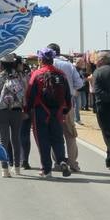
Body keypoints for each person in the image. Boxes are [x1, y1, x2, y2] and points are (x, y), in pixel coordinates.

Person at [25, 48, 72, 178]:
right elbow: (68, 94)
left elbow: (30, 94)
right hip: (57, 113)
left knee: (43, 140)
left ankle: (46, 169)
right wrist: (66, 109)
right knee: (58, 138)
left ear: (40, 59)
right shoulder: (61, 74)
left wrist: (27, 110)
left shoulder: (37, 74)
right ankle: (62, 160)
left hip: (41, 112)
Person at [0, 53, 27, 176]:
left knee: (3, 141)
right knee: (16, 139)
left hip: (2, 112)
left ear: (1, 64)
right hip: (17, 112)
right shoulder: (20, 76)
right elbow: (25, 95)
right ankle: (17, 168)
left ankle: (5, 169)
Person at [48, 43, 84, 172]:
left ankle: (58, 163)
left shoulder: (46, 65)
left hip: (50, 106)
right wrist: (71, 89)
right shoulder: (68, 65)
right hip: (67, 105)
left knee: (54, 135)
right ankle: (73, 163)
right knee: (70, 135)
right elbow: (79, 83)